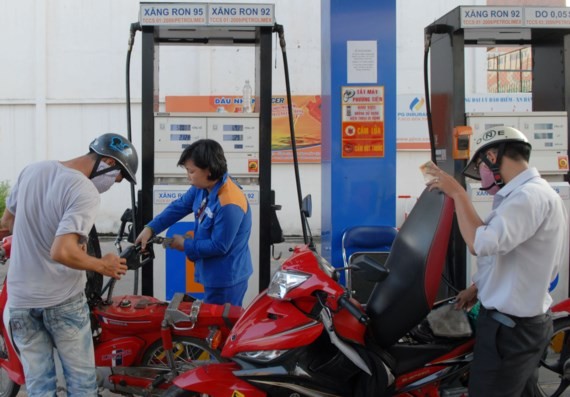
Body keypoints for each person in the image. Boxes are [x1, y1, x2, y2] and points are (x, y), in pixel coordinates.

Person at [426, 126, 568, 396]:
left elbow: (481, 244)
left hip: (511, 331)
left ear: (492, 156)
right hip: (517, 326)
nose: (481, 176)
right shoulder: (526, 196)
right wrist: (477, 288)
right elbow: (510, 257)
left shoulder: (528, 198)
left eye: (480, 166)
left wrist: (458, 194)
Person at [0, 133, 138, 397]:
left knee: (39, 385)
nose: (112, 184)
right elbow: (62, 251)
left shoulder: (33, 170)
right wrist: (102, 265)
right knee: (82, 384)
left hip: (20, 301)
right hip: (61, 301)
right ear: (108, 162)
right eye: (117, 178)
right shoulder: (84, 190)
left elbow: (8, 223)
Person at [136, 139, 253, 306]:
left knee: (219, 324)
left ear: (209, 170)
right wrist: (151, 228)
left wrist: (185, 244)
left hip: (226, 276)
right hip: (212, 271)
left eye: (191, 171)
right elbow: (180, 206)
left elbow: (220, 246)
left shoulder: (229, 202)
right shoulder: (203, 187)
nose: (188, 176)